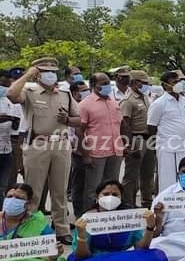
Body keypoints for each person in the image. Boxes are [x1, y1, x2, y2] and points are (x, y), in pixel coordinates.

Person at [8, 57, 79, 242]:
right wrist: (28, 75)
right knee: (34, 191)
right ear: (38, 73)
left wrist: (68, 120)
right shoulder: (30, 91)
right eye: (46, 71)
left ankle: (62, 230)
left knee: (60, 190)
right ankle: (29, 229)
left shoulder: (65, 94)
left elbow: (78, 119)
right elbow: (12, 94)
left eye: (53, 71)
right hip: (38, 144)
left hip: (61, 145)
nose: (51, 75)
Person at [69, 180, 170, 261]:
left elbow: (141, 248)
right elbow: (81, 256)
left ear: (121, 198)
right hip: (96, 260)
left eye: (115, 195)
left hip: (122, 258)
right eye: (106, 194)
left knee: (158, 255)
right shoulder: (87, 219)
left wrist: (150, 227)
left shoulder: (129, 217)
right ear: (97, 198)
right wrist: (82, 236)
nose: (110, 197)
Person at [0, 184, 69, 261]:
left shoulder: (38, 223)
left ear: (29, 203)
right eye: (10, 196)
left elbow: (48, 256)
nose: (12, 200)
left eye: (19, 198)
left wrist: (54, 255)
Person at [76, 72, 124, 216]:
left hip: (115, 151)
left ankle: (110, 216)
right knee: (93, 189)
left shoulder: (114, 102)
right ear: (93, 85)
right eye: (103, 83)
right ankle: (89, 219)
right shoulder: (85, 105)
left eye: (108, 83)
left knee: (113, 188)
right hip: (96, 152)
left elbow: (120, 126)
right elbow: (80, 131)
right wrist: (85, 154)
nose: (107, 86)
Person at [147, 70, 185, 192]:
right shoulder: (159, 103)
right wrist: (155, 146)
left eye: (179, 81)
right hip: (167, 148)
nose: (178, 84)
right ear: (165, 85)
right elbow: (151, 127)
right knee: (168, 181)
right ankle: (166, 206)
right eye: (175, 82)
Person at [119, 70, 155, 208]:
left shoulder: (145, 97)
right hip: (136, 138)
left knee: (148, 174)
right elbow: (125, 123)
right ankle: (129, 204)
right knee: (132, 176)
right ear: (134, 82)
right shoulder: (128, 100)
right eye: (144, 83)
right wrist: (129, 145)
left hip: (148, 139)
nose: (146, 85)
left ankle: (147, 202)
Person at [0, 72, 19, 189]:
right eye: (2, 83)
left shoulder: (10, 101)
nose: (4, 87)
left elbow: (16, 124)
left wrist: (12, 119)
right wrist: (9, 118)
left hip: (7, 149)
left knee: (4, 185)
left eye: (7, 84)